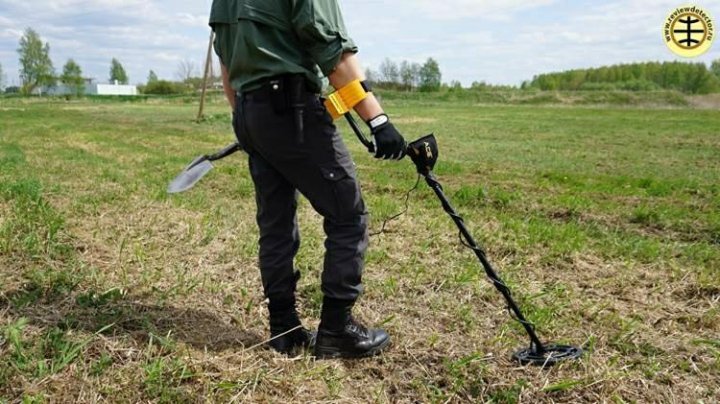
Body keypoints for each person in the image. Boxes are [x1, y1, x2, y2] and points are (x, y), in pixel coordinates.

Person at [209, 0, 406, 359]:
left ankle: (283, 329)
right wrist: (378, 121)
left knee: (276, 222)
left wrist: (251, 122)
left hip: (249, 111)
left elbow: (227, 67)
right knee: (348, 214)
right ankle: (336, 331)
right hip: (291, 109)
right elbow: (334, 54)